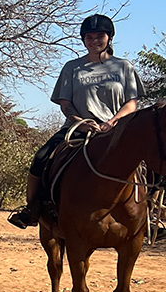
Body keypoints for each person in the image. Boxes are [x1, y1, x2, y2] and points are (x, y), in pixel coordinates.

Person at [8, 14, 143, 229]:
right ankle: (32, 208)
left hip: (117, 130)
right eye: (89, 37)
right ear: (83, 39)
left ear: (110, 38)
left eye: (100, 36)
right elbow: (65, 103)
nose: (94, 41)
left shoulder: (123, 67)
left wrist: (113, 121)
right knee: (42, 157)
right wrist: (80, 121)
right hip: (78, 129)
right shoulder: (72, 68)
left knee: (152, 158)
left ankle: (152, 213)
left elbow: (131, 103)